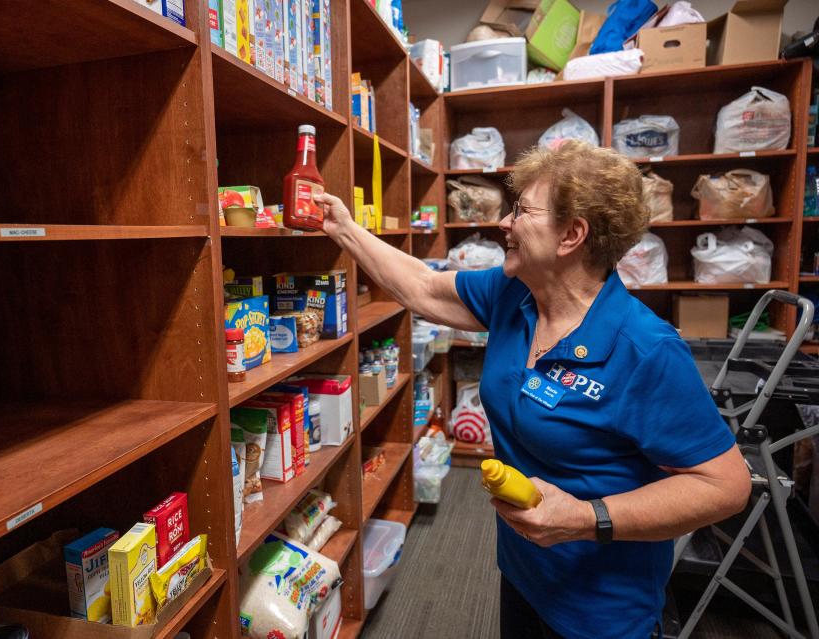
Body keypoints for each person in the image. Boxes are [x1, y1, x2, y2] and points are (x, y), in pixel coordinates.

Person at [314, 140, 750, 639]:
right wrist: (346, 230)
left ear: (572, 234)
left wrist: (586, 518)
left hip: (599, 606)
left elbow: (726, 486)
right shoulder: (515, 292)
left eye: (521, 210)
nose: (505, 223)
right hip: (525, 571)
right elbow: (423, 287)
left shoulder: (646, 350)